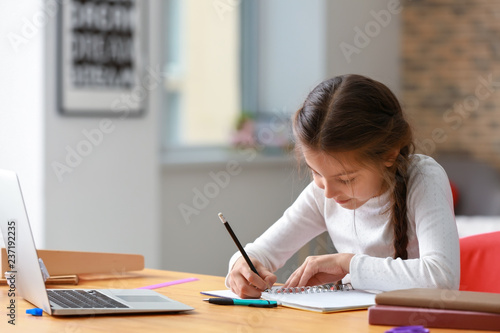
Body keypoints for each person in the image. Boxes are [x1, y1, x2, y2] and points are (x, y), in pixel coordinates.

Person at [226, 74, 460, 299]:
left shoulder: (423, 178)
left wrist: (346, 264)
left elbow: (441, 278)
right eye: (315, 172)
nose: (328, 192)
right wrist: (241, 267)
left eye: (346, 179)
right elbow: (261, 252)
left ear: (389, 154)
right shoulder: (323, 193)